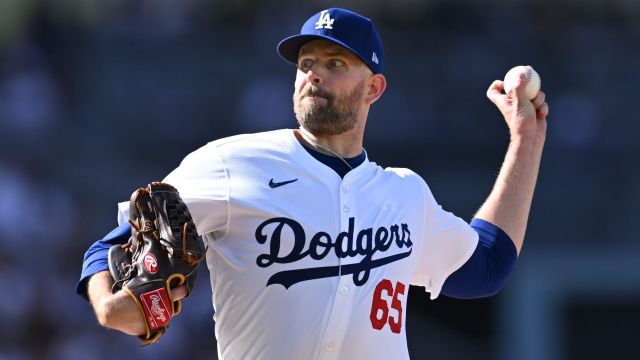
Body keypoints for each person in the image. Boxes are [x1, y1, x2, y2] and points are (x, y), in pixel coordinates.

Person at [77, 7, 548, 360]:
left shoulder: (404, 194)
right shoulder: (230, 163)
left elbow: (486, 265)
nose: (314, 74)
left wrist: (525, 140)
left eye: (336, 63)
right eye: (306, 63)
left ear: (374, 88)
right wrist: (106, 302)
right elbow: (113, 243)